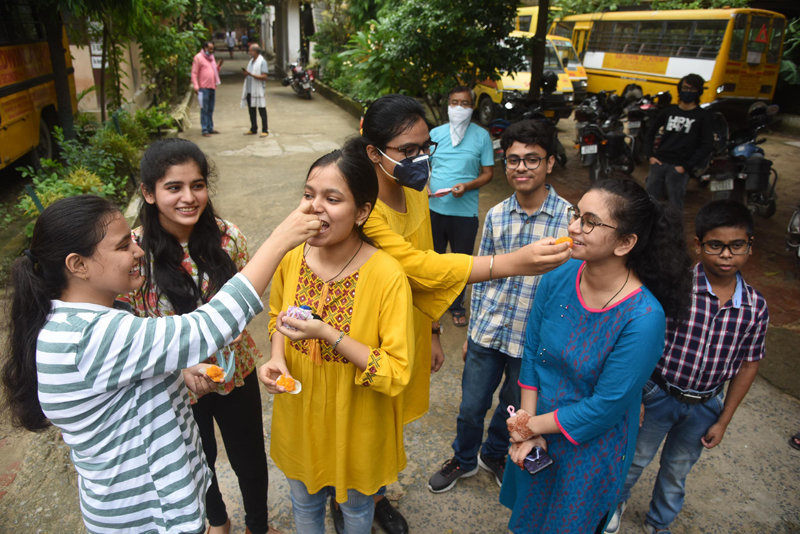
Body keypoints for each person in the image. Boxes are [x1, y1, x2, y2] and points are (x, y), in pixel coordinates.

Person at [0, 194, 319, 534]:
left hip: (145, 508)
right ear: (78, 265)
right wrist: (281, 239)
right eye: (124, 246)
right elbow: (205, 328)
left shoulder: (73, 321)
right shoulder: (91, 334)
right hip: (148, 518)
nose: (138, 252)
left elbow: (118, 393)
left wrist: (176, 373)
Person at [356, 94, 572, 534]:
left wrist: (434, 329)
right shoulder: (362, 206)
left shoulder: (414, 190)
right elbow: (418, 265)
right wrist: (512, 262)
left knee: (390, 419)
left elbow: (426, 258)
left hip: (412, 324)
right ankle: (357, 499)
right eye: (409, 150)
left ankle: (376, 491)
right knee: (364, 419)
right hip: (366, 333)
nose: (421, 159)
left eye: (424, 147)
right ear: (373, 152)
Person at [500, 179, 694, 534]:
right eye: (576, 214)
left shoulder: (643, 318)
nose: (573, 226)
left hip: (590, 446)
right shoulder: (558, 274)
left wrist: (526, 427)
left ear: (625, 242)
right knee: (529, 519)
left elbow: (605, 406)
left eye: (589, 221)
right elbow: (532, 353)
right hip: (536, 426)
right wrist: (527, 428)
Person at [118, 139, 280, 534]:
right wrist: (184, 362)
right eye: (174, 187)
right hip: (175, 383)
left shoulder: (230, 239)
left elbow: (245, 305)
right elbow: (133, 326)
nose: (189, 198)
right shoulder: (135, 252)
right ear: (148, 193)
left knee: (250, 461)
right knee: (198, 459)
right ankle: (218, 521)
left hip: (235, 371)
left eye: (198, 185)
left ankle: (257, 527)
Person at [259, 139, 414, 534]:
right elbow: (278, 315)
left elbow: (395, 370)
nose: (315, 207)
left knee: (358, 511)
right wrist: (277, 356)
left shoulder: (387, 275)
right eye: (309, 195)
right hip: (301, 414)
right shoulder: (292, 257)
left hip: (358, 420)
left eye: (332, 198)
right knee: (304, 506)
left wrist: (329, 333)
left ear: (362, 211)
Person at [608, 200, 769, 534]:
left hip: (705, 405)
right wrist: (636, 395)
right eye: (716, 245)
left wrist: (724, 420)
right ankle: (611, 506)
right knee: (633, 459)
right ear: (699, 246)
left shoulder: (755, 308)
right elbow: (639, 342)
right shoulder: (674, 285)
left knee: (678, 469)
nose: (727, 254)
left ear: (750, 246)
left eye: (737, 245)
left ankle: (659, 522)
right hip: (657, 393)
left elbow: (749, 364)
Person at [428, 119, 571, 493]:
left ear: (550, 163)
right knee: (470, 407)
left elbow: (570, 292)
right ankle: (464, 458)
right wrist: (472, 330)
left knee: (513, 412)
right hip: (487, 335)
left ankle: (494, 454)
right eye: (513, 160)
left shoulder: (568, 223)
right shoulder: (495, 215)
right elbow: (483, 275)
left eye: (532, 159)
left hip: (530, 344)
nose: (521, 168)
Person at [428, 86, 494, 327]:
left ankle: (456, 306)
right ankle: (433, 304)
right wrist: (424, 186)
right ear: (448, 105)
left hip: (464, 213)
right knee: (432, 260)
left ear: (472, 107)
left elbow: (488, 173)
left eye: (464, 103)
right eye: (454, 102)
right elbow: (425, 166)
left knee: (460, 263)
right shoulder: (435, 133)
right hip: (434, 209)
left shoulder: (481, 136)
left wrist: (467, 186)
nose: (459, 108)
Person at [644, 73, 714, 213]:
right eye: (685, 88)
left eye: (692, 89)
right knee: (650, 203)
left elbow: (707, 144)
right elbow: (650, 132)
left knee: (675, 206)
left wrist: (686, 166)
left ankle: (673, 233)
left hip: (679, 167)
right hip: (659, 162)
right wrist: (650, 156)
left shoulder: (702, 116)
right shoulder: (669, 111)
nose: (687, 92)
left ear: (698, 92)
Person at [192, 41, 223, 138]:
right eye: (210, 49)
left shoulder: (211, 58)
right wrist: (196, 86)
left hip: (212, 87)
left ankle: (210, 127)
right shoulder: (198, 58)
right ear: (205, 48)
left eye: (212, 49)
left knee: (210, 109)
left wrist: (218, 66)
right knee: (204, 109)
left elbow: (214, 71)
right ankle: (204, 129)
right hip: (203, 88)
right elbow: (194, 73)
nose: (211, 51)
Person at [242, 44, 269, 137]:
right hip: (250, 90)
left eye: (250, 50)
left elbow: (264, 76)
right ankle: (253, 128)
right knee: (251, 111)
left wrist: (251, 74)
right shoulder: (251, 61)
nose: (249, 52)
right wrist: (246, 74)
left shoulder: (262, 62)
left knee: (262, 110)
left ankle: (265, 129)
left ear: (255, 51)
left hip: (258, 90)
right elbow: (249, 74)